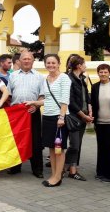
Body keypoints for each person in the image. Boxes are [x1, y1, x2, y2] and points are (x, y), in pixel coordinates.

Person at [6, 51, 45, 178]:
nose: (27, 61)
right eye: (24, 59)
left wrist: (36, 105)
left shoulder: (39, 76)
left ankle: (37, 169)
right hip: (17, 113)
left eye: (29, 59)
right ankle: (15, 167)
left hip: (32, 111)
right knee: (16, 140)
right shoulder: (13, 76)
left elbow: (42, 95)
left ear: (33, 61)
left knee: (35, 141)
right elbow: (8, 94)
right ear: (20, 61)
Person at [41, 54, 71, 187]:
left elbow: (65, 100)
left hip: (59, 118)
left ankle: (58, 176)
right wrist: (33, 103)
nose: (51, 65)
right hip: (47, 117)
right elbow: (45, 99)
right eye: (48, 63)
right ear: (45, 64)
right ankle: (53, 174)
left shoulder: (64, 78)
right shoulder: (45, 79)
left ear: (59, 64)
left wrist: (61, 117)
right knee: (51, 148)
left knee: (59, 148)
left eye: (53, 63)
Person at [65, 55, 93, 181]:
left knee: (78, 144)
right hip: (74, 116)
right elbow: (71, 101)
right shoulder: (68, 79)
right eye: (84, 64)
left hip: (84, 115)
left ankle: (72, 169)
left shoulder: (82, 78)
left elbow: (87, 96)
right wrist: (83, 115)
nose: (85, 66)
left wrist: (90, 112)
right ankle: (66, 168)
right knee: (74, 145)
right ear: (78, 66)